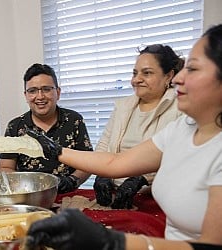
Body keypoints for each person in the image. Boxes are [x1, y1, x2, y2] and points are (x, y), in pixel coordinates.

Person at [24, 24, 222, 249]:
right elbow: (114, 161)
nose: (179, 79)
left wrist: (115, 242)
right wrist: (57, 151)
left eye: (193, 69)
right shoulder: (184, 128)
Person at [94, 44, 184, 209]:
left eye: (147, 73)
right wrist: (102, 174)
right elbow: (103, 146)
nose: (136, 79)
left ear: (169, 76)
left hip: (154, 199)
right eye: (135, 73)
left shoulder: (181, 109)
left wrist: (142, 179)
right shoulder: (123, 106)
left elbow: (179, 161)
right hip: (114, 197)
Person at [0, 63, 93, 194]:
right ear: (26, 95)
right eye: (32, 91)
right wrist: (24, 186)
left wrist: (73, 180)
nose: (40, 96)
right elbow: (5, 167)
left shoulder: (74, 120)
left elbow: (88, 162)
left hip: (68, 195)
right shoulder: (15, 126)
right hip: (28, 196)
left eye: (46, 89)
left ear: (58, 93)